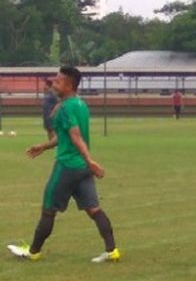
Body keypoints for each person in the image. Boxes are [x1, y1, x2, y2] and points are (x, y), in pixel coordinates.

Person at [7, 66, 120, 263]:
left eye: (58, 81)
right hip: (82, 169)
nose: (53, 84)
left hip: (68, 166)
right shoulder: (80, 104)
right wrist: (44, 146)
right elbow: (66, 137)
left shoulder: (66, 108)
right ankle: (112, 251)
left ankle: (33, 252)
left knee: (48, 209)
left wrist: (90, 161)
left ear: (68, 85)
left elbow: (76, 136)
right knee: (94, 209)